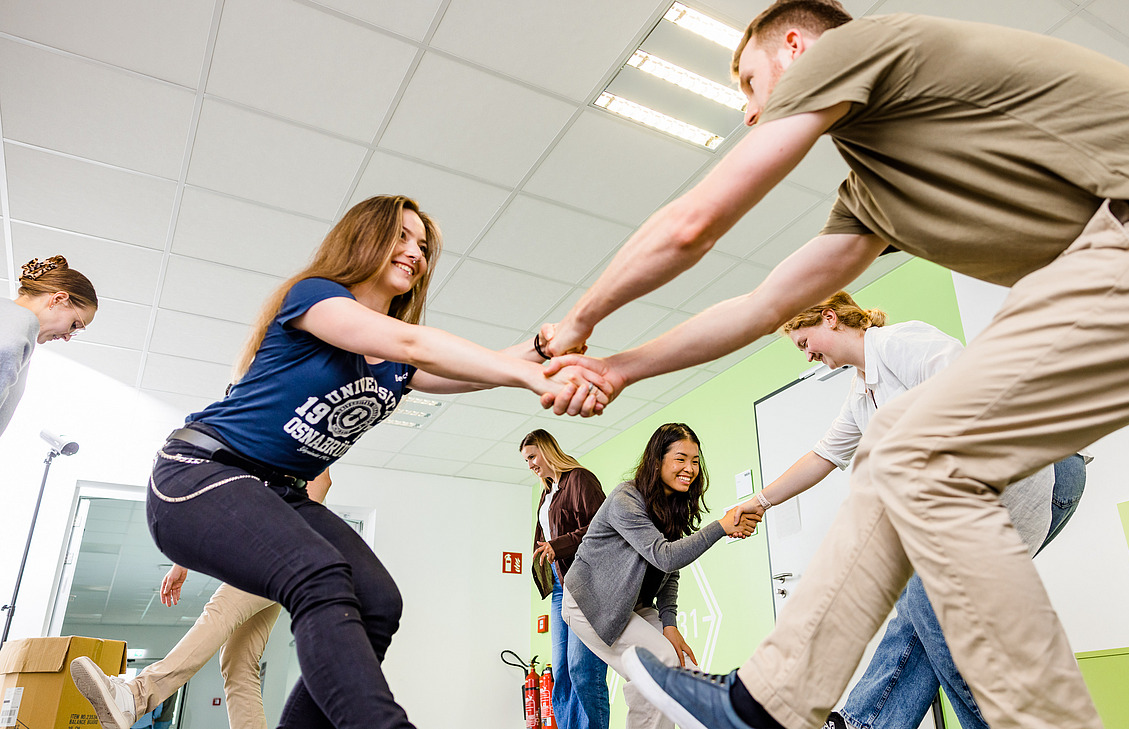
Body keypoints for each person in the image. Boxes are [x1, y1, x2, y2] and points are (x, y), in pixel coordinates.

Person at [537, 2, 1129, 728]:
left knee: (916, 449)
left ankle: (775, 704)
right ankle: (766, 703)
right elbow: (763, 304)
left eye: (747, 80)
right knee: (900, 443)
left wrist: (577, 320)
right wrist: (619, 368)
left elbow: (696, 224)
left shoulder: (861, 48)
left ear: (798, 49)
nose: (746, 108)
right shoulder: (874, 194)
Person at [77, 194, 606, 729]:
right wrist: (530, 374)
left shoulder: (396, 365)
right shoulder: (314, 298)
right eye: (401, 236)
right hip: (201, 472)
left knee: (378, 601)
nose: (415, 253)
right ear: (364, 238)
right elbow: (410, 341)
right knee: (320, 575)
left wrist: (540, 350)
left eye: (422, 247)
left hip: (279, 492)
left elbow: (473, 371)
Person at [737, 292, 1087, 729]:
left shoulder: (898, 344)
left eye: (804, 341)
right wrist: (757, 503)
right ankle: (864, 722)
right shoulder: (861, 394)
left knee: (927, 595)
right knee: (921, 607)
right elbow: (821, 457)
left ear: (830, 319)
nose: (806, 355)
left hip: (1048, 471)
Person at [72, 471, 333, 729]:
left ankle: (136, 696)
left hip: (280, 549)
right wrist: (182, 559)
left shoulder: (286, 436)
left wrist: (288, 538)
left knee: (221, 611)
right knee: (238, 663)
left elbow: (321, 480)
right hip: (276, 551)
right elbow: (228, 499)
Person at [561, 423, 759, 729]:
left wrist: (670, 624)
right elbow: (665, 557)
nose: (690, 468)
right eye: (680, 459)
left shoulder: (673, 505)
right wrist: (721, 527)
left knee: (685, 668)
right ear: (657, 461)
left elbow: (669, 573)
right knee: (658, 667)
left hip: (633, 603)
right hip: (592, 603)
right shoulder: (625, 499)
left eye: (695, 460)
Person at [522, 429, 612, 729]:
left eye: (533, 456)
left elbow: (603, 527)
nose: (531, 464)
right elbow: (546, 536)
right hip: (562, 587)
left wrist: (557, 545)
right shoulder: (546, 493)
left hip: (587, 586)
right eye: (527, 460)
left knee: (582, 669)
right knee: (561, 671)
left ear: (548, 450)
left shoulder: (579, 479)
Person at [1, 255, 97, 436]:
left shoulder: (8, 316)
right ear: (59, 299)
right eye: (75, 325)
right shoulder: (22, 321)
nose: (68, 337)